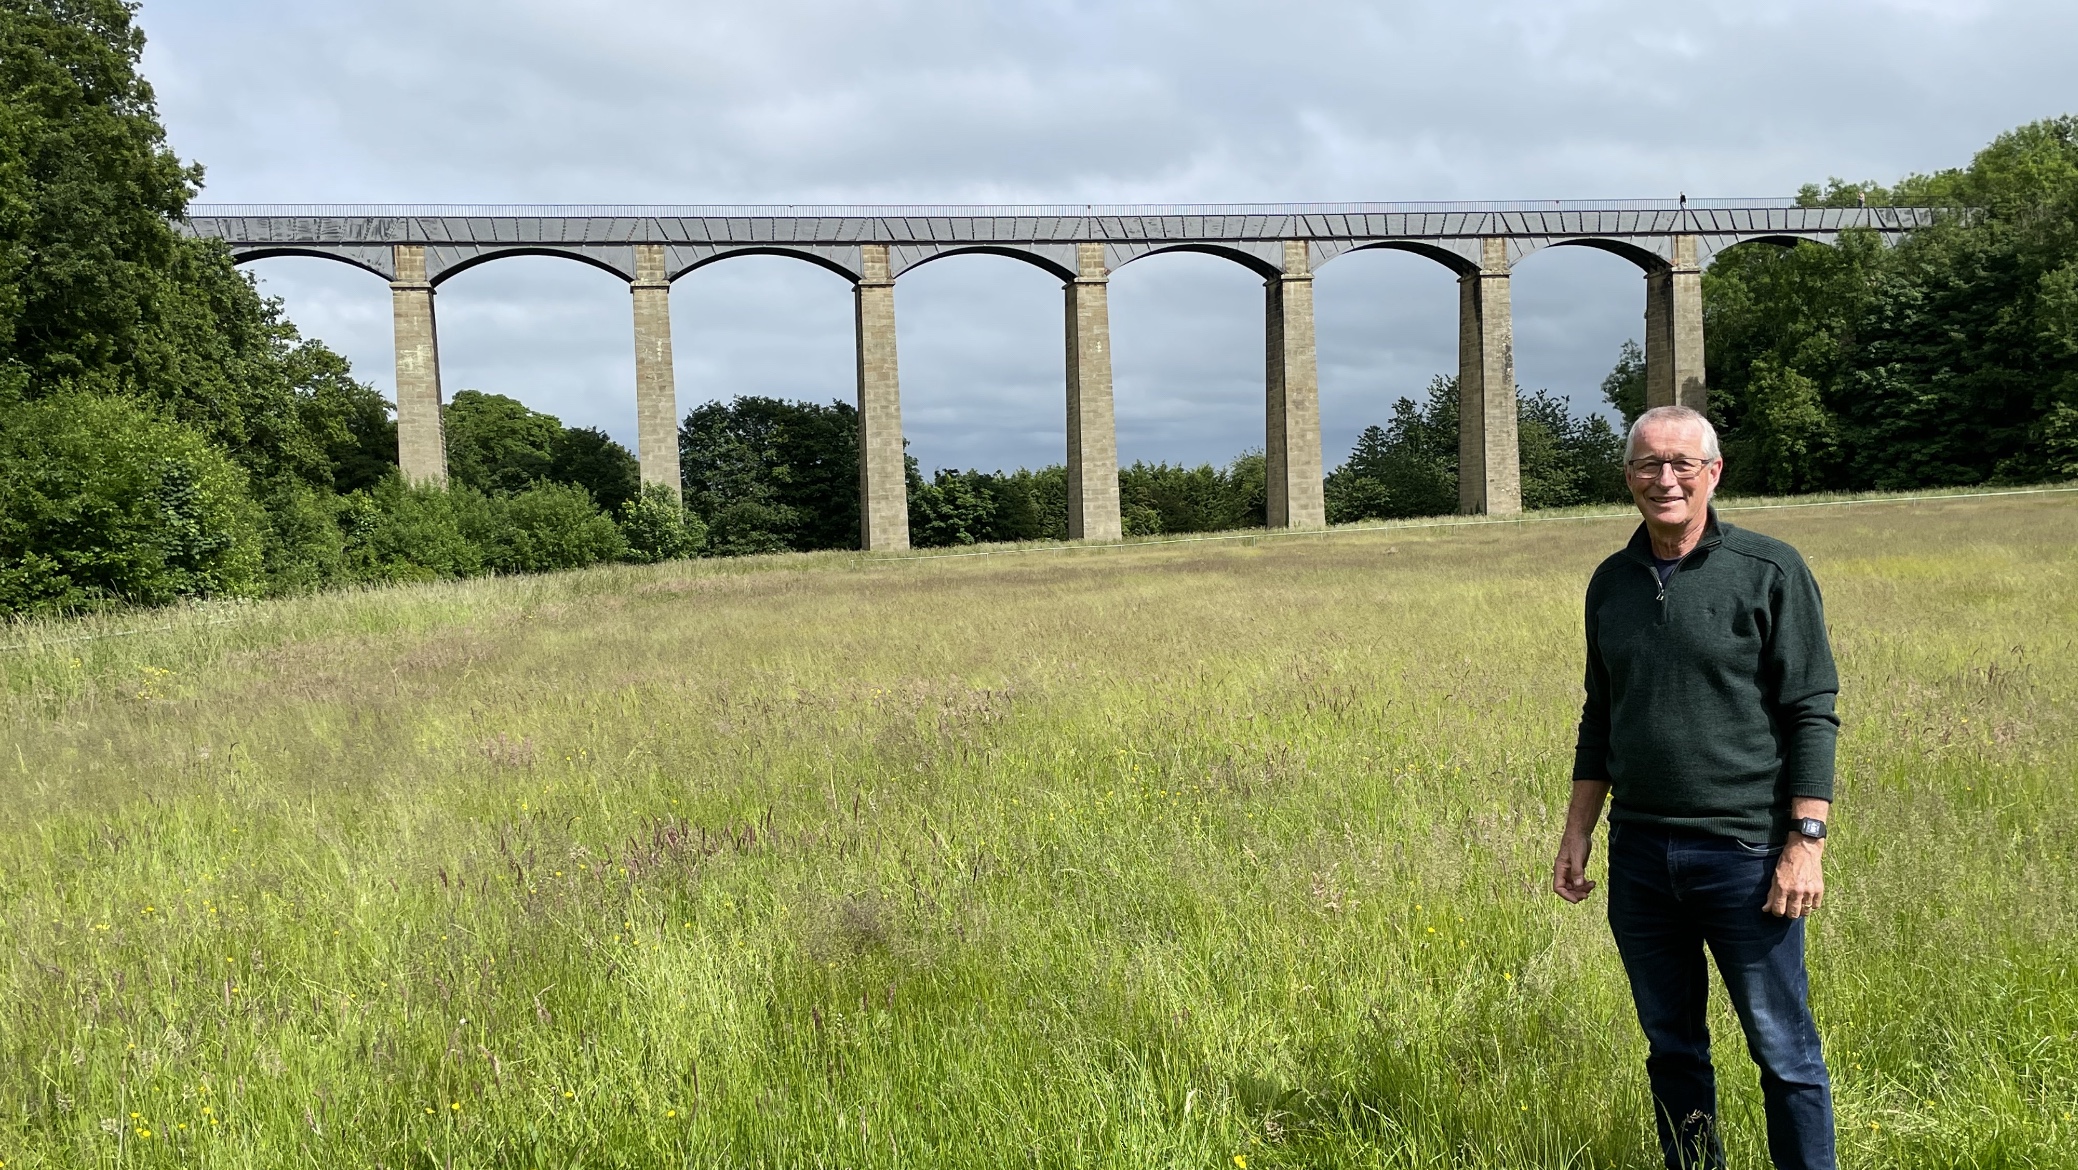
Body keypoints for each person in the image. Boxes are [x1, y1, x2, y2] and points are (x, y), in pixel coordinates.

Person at [1553, 405, 1839, 1170]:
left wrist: (1805, 842)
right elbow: (1601, 713)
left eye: (1682, 463)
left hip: (1746, 853)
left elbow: (1811, 711)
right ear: (1628, 477)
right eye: (1649, 464)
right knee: (1673, 1048)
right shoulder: (1611, 582)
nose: (1666, 479)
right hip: (1640, 855)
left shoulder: (1770, 570)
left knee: (1784, 1052)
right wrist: (1578, 831)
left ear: (1714, 472)